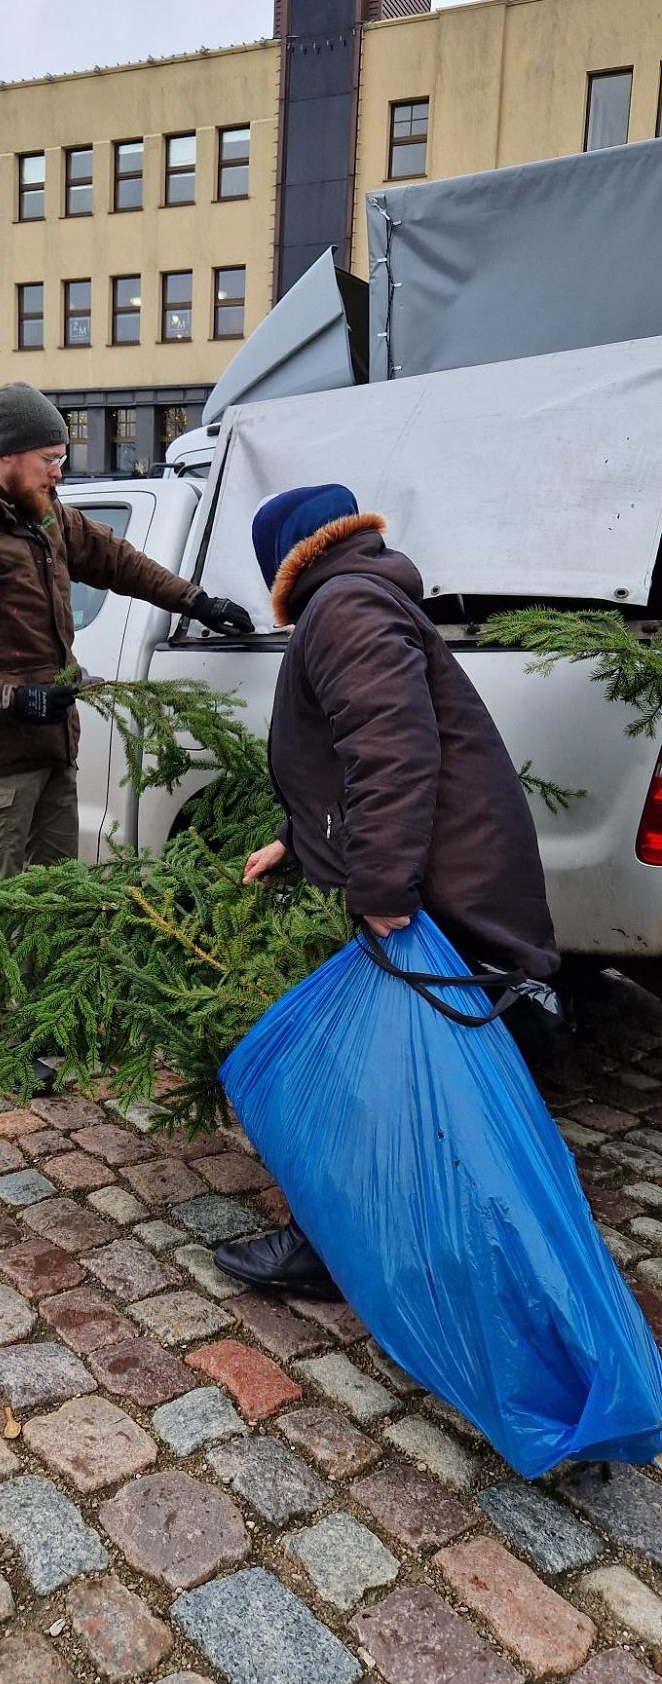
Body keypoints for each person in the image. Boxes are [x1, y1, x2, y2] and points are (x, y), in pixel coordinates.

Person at [213, 482, 561, 1299]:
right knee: (414, 1076)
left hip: (441, 891)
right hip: (450, 877)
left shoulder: (342, 608)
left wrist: (379, 889)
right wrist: (295, 844)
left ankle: (342, 1249)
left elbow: (394, 755)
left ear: (284, 562)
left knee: (374, 1071)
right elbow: (352, 761)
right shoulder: (363, 594)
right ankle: (389, 1243)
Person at [0, 382, 252, 891]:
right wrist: (12, 699)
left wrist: (195, 601)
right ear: (7, 453)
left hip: (54, 748)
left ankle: (43, 976)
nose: (59, 471)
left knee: (59, 901)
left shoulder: (44, 512)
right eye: (49, 458)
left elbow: (115, 559)